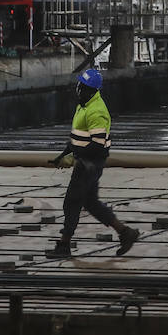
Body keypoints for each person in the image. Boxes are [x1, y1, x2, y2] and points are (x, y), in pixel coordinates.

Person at [48, 69, 140, 258]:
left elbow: (97, 146)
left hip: (89, 163)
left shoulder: (96, 111)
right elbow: (78, 137)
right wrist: (64, 154)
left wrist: (76, 157)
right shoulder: (84, 105)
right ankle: (125, 232)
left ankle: (64, 246)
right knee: (90, 202)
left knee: (72, 202)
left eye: (82, 86)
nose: (79, 89)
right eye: (79, 85)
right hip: (86, 161)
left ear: (89, 90)